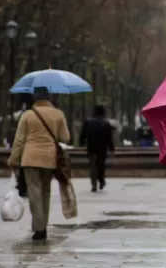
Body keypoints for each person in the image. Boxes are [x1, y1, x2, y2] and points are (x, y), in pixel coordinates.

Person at [7, 87, 70, 240]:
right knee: (45, 192)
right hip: (50, 158)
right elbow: (65, 137)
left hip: (30, 158)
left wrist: (14, 160)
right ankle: (43, 226)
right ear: (49, 98)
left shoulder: (28, 115)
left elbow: (19, 140)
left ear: (35, 98)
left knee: (34, 193)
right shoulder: (58, 114)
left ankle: (38, 228)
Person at [79, 105, 115, 192]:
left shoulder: (88, 122)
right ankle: (101, 180)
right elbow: (109, 138)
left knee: (92, 166)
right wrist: (111, 148)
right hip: (102, 148)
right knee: (101, 165)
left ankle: (93, 183)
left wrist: (82, 142)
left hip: (91, 147)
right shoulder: (106, 123)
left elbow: (83, 135)